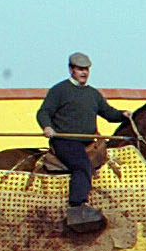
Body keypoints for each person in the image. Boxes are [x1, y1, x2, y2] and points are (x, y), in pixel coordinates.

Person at [37, 52, 130, 214]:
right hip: (65, 141)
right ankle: (77, 206)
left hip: (89, 142)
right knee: (81, 165)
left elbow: (108, 113)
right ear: (71, 69)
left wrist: (124, 116)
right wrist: (47, 127)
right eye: (80, 69)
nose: (84, 73)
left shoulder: (93, 94)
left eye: (86, 69)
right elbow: (43, 112)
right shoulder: (59, 90)